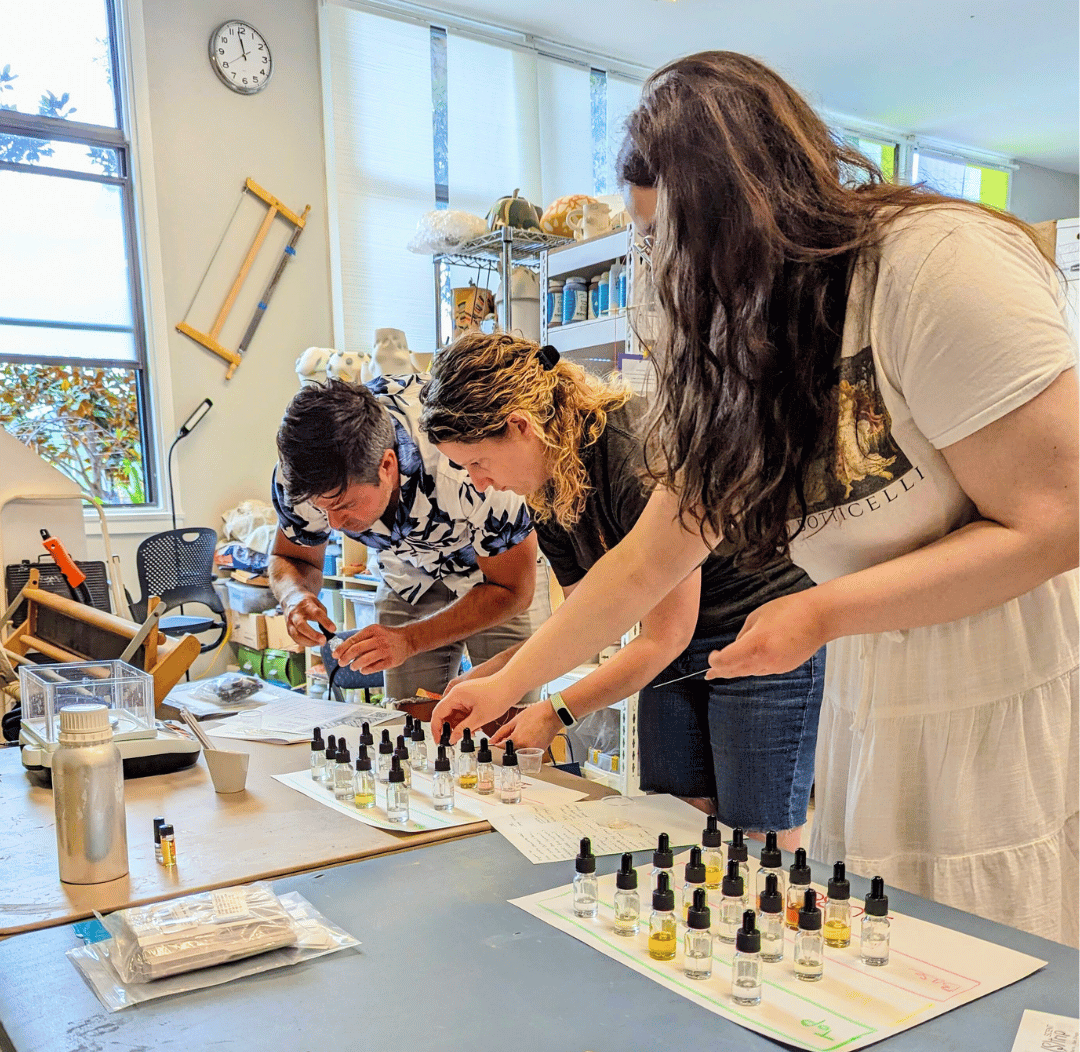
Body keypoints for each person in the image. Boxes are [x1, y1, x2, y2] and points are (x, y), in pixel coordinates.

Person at [433, 52, 1079, 945]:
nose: (663, 268)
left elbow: (1058, 521)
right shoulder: (743, 339)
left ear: (747, 206)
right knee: (889, 941)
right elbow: (645, 565)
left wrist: (821, 614)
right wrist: (511, 678)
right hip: (875, 683)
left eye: (673, 237)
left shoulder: (935, 265)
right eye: (648, 241)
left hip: (1008, 679)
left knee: (1003, 938)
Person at [419, 333, 822, 845]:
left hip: (758, 630)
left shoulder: (635, 455)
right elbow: (584, 622)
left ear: (521, 427)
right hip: (675, 641)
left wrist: (555, 711)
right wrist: (490, 676)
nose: (478, 482)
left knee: (757, 834)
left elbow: (663, 636)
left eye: (478, 462)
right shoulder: (550, 489)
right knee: (675, 822)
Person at [269, 372, 548, 701]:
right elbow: (292, 557)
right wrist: (293, 597)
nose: (333, 522)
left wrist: (412, 639)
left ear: (386, 466)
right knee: (407, 720)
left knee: (507, 720)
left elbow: (513, 590)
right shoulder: (302, 480)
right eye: (323, 508)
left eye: (345, 506)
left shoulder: (465, 462)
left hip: (495, 574)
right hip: (408, 574)